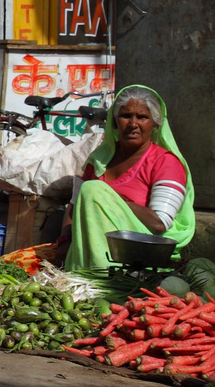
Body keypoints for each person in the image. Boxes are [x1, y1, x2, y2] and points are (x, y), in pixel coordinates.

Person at [59, 85, 194, 270]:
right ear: (114, 122)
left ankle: (102, 278)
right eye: (126, 116)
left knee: (93, 189)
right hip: (86, 252)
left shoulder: (165, 162)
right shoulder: (99, 160)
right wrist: (64, 244)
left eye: (142, 117)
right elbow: (74, 207)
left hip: (139, 256)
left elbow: (159, 223)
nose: (133, 124)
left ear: (155, 124)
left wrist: (117, 202)